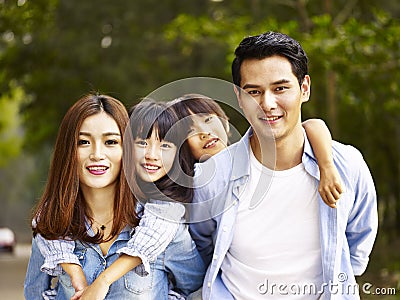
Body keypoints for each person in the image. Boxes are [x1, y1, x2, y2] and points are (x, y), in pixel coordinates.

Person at [189, 32, 378, 300]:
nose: (267, 103)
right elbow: (202, 247)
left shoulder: (346, 165)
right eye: (254, 91)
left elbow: (358, 244)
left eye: (280, 88)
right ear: (239, 97)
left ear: (305, 88)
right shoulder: (214, 174)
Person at [24, 95, 204, 299]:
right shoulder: (54, 225)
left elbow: (198, 289)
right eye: (83, 142)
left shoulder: (162, 226)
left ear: (126, 148)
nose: (97, 154)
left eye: (110, 141)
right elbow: (34, 292)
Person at [170, 93, 342, 208]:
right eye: (190, 131)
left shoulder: (251, 156)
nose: (204, 133)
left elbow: (312, 125)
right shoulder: (193, 185)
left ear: (225, 123)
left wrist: (326, 167)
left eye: (207, 119)